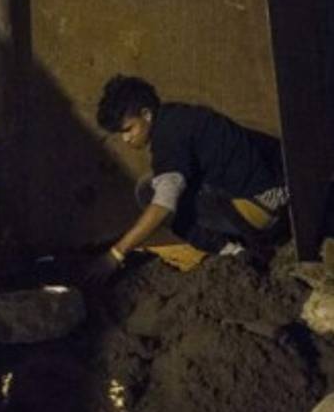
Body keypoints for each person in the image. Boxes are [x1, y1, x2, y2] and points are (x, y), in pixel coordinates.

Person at [87, 74, 289, 280]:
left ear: (146, 114)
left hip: (262, 206)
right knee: (173, 183)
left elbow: (164, 204)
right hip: (282, 196)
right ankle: (246, 245)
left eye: (129, 129)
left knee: (149, 192)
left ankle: (234, 253)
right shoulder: (178, 117)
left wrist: (116, 254)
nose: (126, 138)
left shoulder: (168, 136)